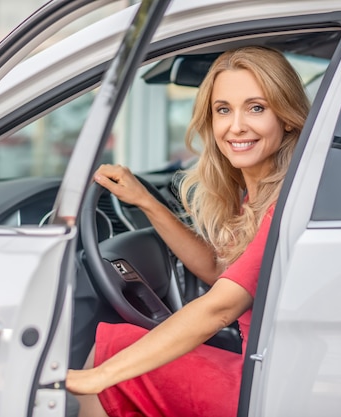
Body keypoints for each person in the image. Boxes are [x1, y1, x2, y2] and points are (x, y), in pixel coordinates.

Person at [66, 45, 310, 417]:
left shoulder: (286, 203)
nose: (236, 126)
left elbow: (220, 307)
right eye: (223, 110)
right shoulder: (259, 196)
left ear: (288, 116)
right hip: (268, 374)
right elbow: (219, 272)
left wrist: (100, 376)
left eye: (256, 108)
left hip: (267, 391)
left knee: (112, 350)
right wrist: (147, 202)